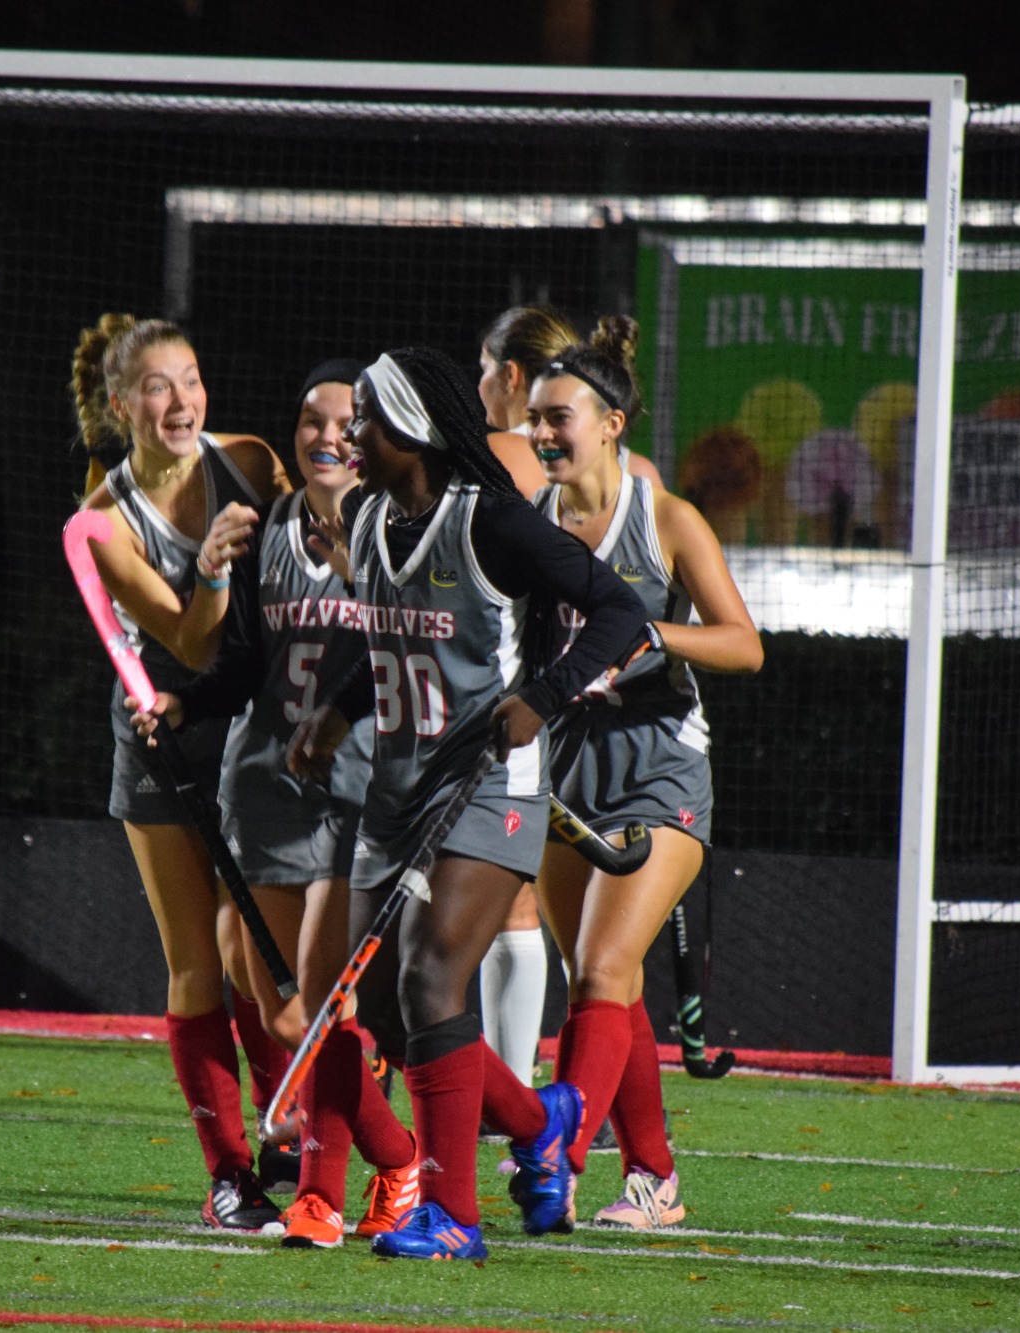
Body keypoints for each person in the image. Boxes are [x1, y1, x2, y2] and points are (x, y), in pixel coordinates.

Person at [289, 347, 647, 1260]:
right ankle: (539, 1121)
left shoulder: (489, 521)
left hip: (491, 785)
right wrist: (331, 715)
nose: (348, 434)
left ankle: (453, 1218)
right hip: (399, 786)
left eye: (364, 417)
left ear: (410, 427)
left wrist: (549, 693)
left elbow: (620, 613)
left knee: (432, 979)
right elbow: (383, 643)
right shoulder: (367, 519)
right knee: (391, 1011)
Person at [135, 361, 420, 1249]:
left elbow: (418, 662)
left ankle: (319, 1195)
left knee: (326, 1003)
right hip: (261, 790)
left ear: (374, 441)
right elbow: (241, 666)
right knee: (283, 1012)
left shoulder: (401, 537)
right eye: (311, 420)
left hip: (356, 796)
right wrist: (182, 701)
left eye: (347, 422)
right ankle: (401, 1157)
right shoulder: (265, 532)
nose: (328, 435)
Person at [528, 319, 762, 1230]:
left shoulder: (666, 518)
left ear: (614, 422)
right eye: (538, 420)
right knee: (604, 982)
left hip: (661, 764)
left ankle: (557, 1158)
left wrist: (654, 635)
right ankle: (655, 1179)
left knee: (601, 966)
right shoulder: (528, 524)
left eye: (560, 419)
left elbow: (744, 644)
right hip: (562, 765)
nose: (544, 434)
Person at [69, 313, 294, 1233]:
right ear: (123, 404)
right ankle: (230, 1176)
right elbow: (190, 638)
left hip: (262, 734)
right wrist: (206, 569)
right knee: (198, 965)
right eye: (160, 386)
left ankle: (291, 1131)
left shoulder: (248, 457)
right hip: (164, 739)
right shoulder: (101, 520)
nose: (182, 400)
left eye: (192, 378)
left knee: (262, 954)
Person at [473, 306, 666, 1090]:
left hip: (607, 745)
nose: (477, 387)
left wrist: (646, 646)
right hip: (562, 741)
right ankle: (642, 1162)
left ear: (510, 376)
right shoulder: (619, 478)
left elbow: (717, 635)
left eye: (483, 370)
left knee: (575, 953)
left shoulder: (500, 465)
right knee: (604, 973)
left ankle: (535, 1128)